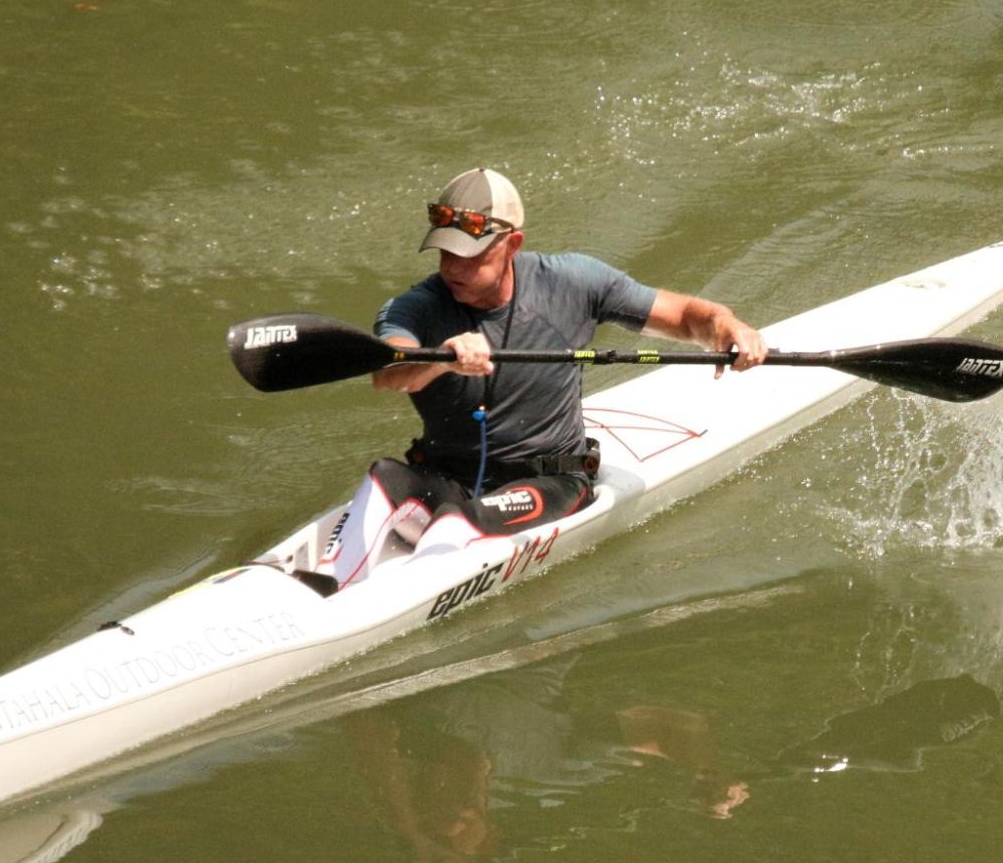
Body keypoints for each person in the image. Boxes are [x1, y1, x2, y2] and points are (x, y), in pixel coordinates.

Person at [319, 167, 766, 589]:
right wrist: (443, 360)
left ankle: (397, 593)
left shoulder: (573, 282)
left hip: (550, 483)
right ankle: (323, 582)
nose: (453, 267)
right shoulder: (413, 307)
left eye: (470, 254)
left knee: (458, 521)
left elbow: (686, 317)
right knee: (383, 477)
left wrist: (727, 328)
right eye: (445, 252)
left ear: (512, 245)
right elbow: (391, 374)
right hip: (447, 477)